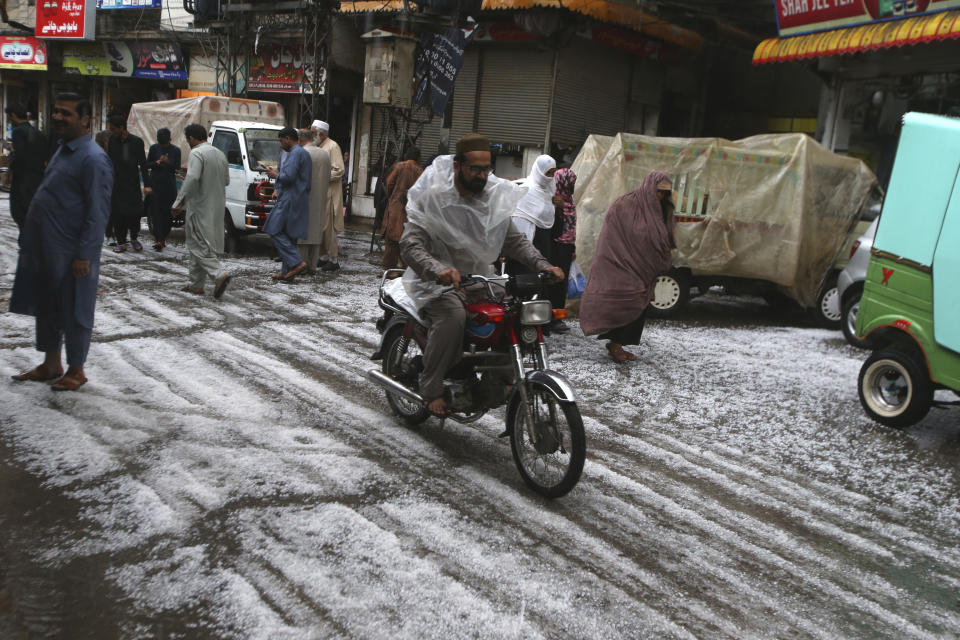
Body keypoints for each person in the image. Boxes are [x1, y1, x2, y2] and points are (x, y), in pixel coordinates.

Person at [399, 132, 564, 416]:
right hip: (435, 283)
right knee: (453, 317)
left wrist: (542, 265)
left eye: (486, 168)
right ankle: (431, 386)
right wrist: (438, 269)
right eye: (474, 168)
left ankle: (499, 377)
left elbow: (513, 241)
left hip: (479, 279)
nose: (481, 175)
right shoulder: (434, 198)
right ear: (457, 166)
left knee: (514, 310)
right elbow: (410, 244)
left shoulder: (493, 199)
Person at [9, 93, 113, 391]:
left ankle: (76, 369)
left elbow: (97, 213)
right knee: (48, 307)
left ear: (85, 120)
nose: (58, 118)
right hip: (46, 249)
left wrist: (85, 255)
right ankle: (51, 363)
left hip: (72, 253)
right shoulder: (62, 149)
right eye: (56, 112)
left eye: (66, 114)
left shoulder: (94, 159)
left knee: (75, 311)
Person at [579, 171, 676, 363]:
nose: (661, 196)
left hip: (644, 268)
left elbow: (664, 237)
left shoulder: (660, 209)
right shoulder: (624, 204)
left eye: (665, 193)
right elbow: (612, 235)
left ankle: (618, 342)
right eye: (658, 191)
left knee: (638, 304)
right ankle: (615, 344)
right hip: (619, 264)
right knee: (622, 301)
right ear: (649, 186)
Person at [171, 124, 232, 298]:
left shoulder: (197, 153)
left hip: (199, 207)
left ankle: (218, 274)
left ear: (191, 138)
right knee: (199, 244)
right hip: (216, 207)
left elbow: (192, 178)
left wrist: (178, 202)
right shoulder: (220, 154)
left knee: (197, 244)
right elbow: (226, 180)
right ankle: (196, 284)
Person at [264, 126, 311, 281]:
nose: (280, 144)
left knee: (273, 228)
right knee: (289, 234)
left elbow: (288, 177)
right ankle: (287, 271)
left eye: (281, 141)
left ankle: (297, 263)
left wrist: (274, 175)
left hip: (290, 198)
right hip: (298, 198)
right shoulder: (302, 153)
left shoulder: (296, 153)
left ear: (287, 139)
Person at [506, 154, 557, 275]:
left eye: (553, 173)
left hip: (543, 245)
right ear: (539, 171)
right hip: (525, 246)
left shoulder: (549, 194)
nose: (550, 177)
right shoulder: (524, 189)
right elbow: (514, 220)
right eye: (548, 172)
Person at [106, 113, 149, 252]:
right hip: (116, 183)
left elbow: (143, 164)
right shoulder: (112, 140)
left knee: (134, 213)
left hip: (132, 184)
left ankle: (134, 238)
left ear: (122, 128)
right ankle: (121, 241)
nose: (112, 132)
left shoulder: (136, 142)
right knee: (117, 214)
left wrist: (147, 185)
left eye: (113, 129)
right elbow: (109, 160)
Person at [4, 103, 47, 230]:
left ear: (12, 116)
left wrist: (9, 172)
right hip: (37, 177)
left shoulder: (18, 132)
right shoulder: (38, 133)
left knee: (19, 212)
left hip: (22, 177)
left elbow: (19, 155)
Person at [381, 146, 423, 271]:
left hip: (396, 206)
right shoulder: (420, 171)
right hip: (411, 209)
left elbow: (389, 183)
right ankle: (405, 268)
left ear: (406, 155)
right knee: (407, 239)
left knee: (392, 239)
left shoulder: (400, 166)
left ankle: (389, 269)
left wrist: (392, 196)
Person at [296, 129, 331, 274]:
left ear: (300, 139)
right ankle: (312, 265)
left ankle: (300, 265)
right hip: (321, 197)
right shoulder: (325, 154)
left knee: (302, 234)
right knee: (316, 232)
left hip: (303, 197)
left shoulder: (301, 153)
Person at [311, 120, 344, 271]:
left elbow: (339, 170)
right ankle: (323, 257)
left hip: (330, 194)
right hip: (321, 193)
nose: (312, 136)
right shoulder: (319, 146)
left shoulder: (333, 146)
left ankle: (333, 259)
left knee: (329, 228)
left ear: (321, 134)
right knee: (321, 227)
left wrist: (320, 176)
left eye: (313, 133)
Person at [547, 167, 578, 333]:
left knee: (562, 284)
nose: (572, 185)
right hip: (553, 246)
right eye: (570, 182)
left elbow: (573, 226)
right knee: (551, 282)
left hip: (566, 248)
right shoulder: (552, 199)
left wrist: (573, 246)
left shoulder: (569, 200)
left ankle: (557, 318)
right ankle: (546, 318)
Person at [145, 127, 181, 251]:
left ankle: (163, 237)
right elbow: (147, 164)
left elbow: (176, 168)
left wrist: (167, 162)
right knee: (156, 214)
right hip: (155, 185)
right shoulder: (154, 148)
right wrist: (156, 163)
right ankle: (159, 240)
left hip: (169, 186)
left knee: (168, 215)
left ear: (170, 139)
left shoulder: (176, 150)